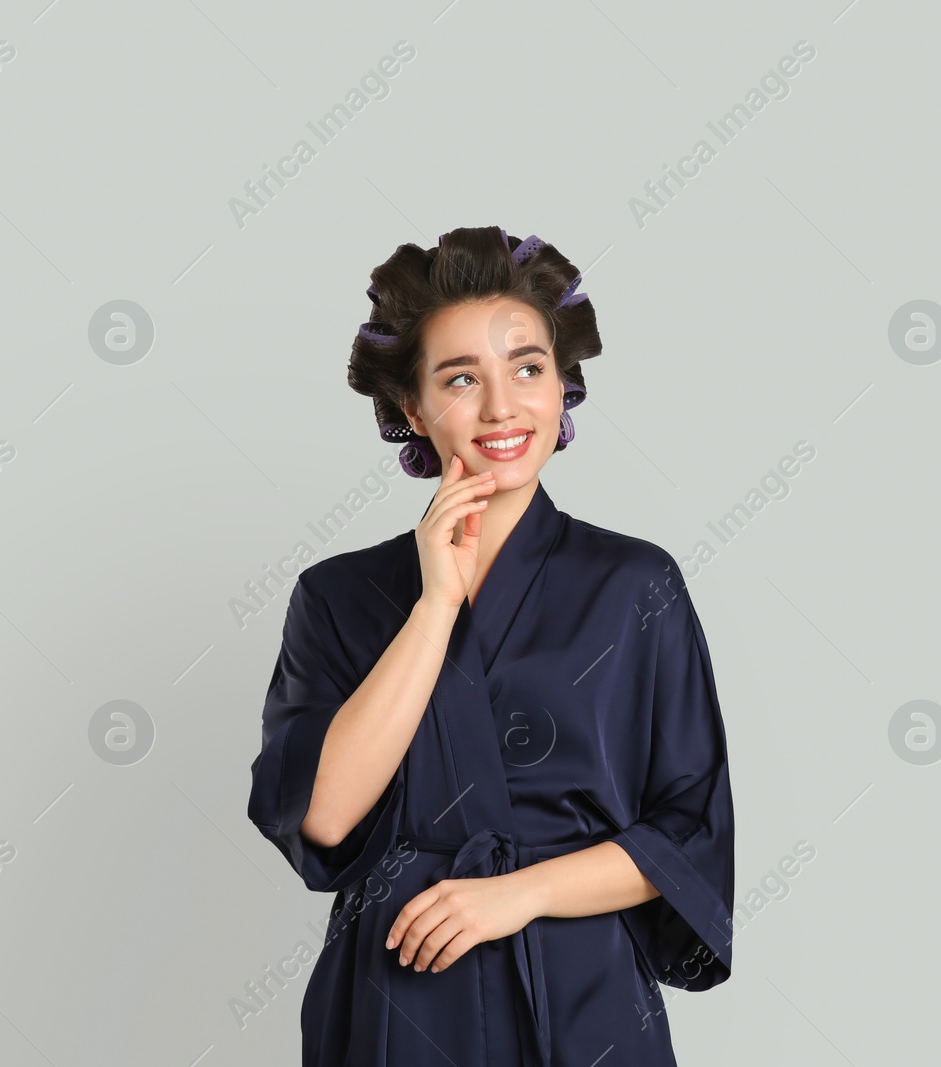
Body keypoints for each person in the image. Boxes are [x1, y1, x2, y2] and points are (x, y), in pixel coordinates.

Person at [247, 226, 735, 1066]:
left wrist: (519, 894)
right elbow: (322, 816)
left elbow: (688, 831)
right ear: (413, 410)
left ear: (561, 387)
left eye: (528, 368)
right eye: (461, 378)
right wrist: (435, 601)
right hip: (399, 986)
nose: (503, 406)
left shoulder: (635, 584)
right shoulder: (336, 597)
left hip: (582, 988)